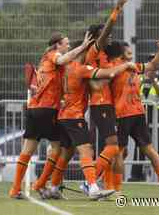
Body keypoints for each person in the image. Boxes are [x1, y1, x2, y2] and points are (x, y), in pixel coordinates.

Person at [47, 40, 137, 200]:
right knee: (88, 150)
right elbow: (102, 79)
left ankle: (52, 186)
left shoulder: (67, 68)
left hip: (65, 114)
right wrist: (123, 67)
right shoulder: (82, 68)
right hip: (76, 115)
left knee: (66, 153)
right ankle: (92, 185)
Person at [9, 31, 93, 199]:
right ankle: (40, 184)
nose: (68, 46)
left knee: (28, 150)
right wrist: (83, 47)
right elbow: (62, 59)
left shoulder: (45, 60)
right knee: (57, 149)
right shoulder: (53, 55)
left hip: (34, 109)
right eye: (66, 43)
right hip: (46, 110)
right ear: (57, 45)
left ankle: (15, 189)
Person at [107, 40, 159, 197]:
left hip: (128, 114)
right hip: (130, 114)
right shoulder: (120, 67)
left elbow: (152, 66)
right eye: (128, 52)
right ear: (120, 54)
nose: (131, 55)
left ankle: (117, 191)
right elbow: (151, 66)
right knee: (128, 153)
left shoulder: (127, 67)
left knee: (124, 153)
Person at [82, 0, 127, 193]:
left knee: (112, 147)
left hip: (105, 104)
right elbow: (99, 82)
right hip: (100, 104)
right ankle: (90, 182)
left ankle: (108, 186)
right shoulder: (95, 49)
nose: (109, 37)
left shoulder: (105, 54)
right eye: (105, 35)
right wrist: (117, 10)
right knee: (112, 145)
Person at [129, 56, 159, 181]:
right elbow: (132, 91)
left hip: (158, 114)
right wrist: (143, 80)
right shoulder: (139, 77)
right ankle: (136, 174)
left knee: (158, 144)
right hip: (142, 114)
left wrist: (153, 81)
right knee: (140, 143)